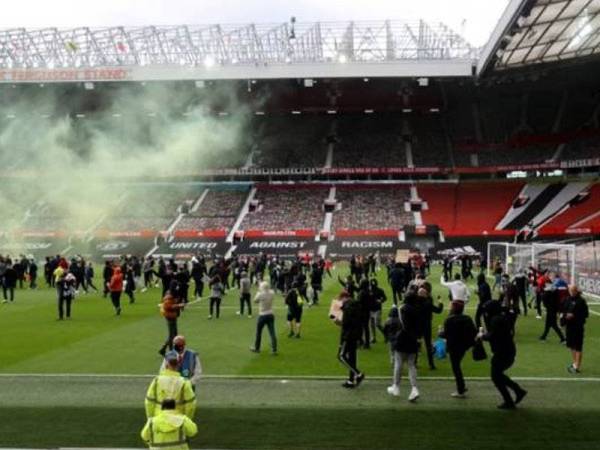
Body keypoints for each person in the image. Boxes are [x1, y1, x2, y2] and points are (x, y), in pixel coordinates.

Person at [479, 300, 527, 409]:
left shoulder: (496, 320)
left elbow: (493, 336)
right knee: (497, 375)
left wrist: (482, 336)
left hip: (503, 352)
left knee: (496, 376)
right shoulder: (500, 318)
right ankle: (518, 391)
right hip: (507, 350)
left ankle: (510, 399)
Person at [383, 299, 420, 402]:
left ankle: (396, 386)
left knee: (398, 364)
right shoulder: (416, 312)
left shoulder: (402, 311)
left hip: (402, 341)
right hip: (413, 341)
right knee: (411, 365)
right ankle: (414, 388)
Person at [440, 302, 477, 398]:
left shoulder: (449, 320)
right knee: (457, 366)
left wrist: (440, 332)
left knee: (456, 367)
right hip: (463, 346)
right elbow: (473, 331)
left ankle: (461, 389)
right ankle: (461, 387)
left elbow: (445, 334)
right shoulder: (467, 318)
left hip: (453, 347)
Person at [145, 351, 196, 419]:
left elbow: (149, 401)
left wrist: (150, 419)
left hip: (159, 418)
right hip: (179, 420)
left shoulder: (157, 380)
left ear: (166, 365)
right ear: (178, 365)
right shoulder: (184, 382)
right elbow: (191, 404)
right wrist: (187, 419)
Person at [336, 290, 365, 388]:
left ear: (343, 298)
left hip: (348, 335)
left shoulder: (347, 307)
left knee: (341, 356)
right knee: (352, 357)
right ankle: (351, 380)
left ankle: (358, 374)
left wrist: (338, 322)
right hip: (356, 334)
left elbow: (346, 324)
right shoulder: (356, 305)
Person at [562, 285, 589, 374]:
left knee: (578, 346)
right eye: (570, 290)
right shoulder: (567, 300)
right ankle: (574, 363)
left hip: (578, 327)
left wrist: (574, 316)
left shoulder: (581, 301)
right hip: (569, 326)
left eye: (573, 291)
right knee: (571, 345)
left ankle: (577, 366)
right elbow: (563, 310)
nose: (572, 292)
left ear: (576, 291)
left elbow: (586, 314)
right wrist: (565, 316)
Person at [418, 287, 443, 370]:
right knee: (428, 345)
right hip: (426, 326)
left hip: (417, 326)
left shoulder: (415, 303)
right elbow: (438, 310)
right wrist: (440, 302)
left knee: (416, 344)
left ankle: (414, 363)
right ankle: (431, 364)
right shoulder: (427, 303)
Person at [159, 281, 186, 356]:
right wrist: (178, 305)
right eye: (177, 286)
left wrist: (181, 304)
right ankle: (171, 351)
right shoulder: (169, 296)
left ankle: (164, 349)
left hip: (173, 316)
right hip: (169, 316)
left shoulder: (174, 294)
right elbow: (167, 307)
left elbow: (175, 303)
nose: (178, 287)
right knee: (172, 335)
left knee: (175, 334)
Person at [250, 281, 277, 354]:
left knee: (258, 332)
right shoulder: (272, 293)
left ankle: (257, 348)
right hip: (270, 313)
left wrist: (259, 291)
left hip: (262, 314)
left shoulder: (260, 294)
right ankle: (274, 349)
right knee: (272, 332)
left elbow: (255, 301)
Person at [368, 278, 387, 344]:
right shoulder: (368, 291)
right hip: (370, 309)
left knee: (377, 324)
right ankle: (373, 338)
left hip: (377, 309)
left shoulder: (380, 290)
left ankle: (386, 334)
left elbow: (385, 298)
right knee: (371, 324)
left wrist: (381, 301)